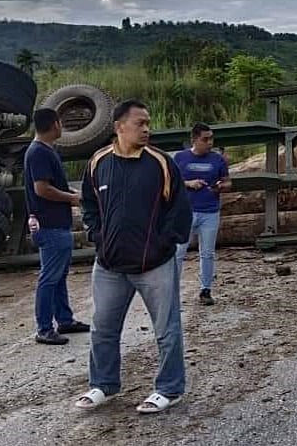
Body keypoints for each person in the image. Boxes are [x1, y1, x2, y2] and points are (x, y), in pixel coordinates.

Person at [74, 99, 192, 414]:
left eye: (148, 123)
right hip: (110, 265)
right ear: (119, 126)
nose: (147, 129)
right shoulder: (98, 161)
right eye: (141, 123)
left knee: (167, 330)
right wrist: (97, 236)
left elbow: (180, 212)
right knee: (102, 328)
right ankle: (104, 385)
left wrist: (162, 243)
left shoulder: (161, 163)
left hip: (154, 265)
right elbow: (88, 204)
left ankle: (169, 389)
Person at [23, 108, 89, 345]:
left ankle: (64, 319)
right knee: (50, 277)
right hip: (50, 225)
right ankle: (44, 328)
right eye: (61, 123)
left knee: (59, 275)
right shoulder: (39, 153)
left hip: (55, 223)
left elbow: (54, 184)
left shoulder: (45, 151)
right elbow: (42, 189)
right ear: (54, 124)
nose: (62, 127)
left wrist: (75, 193)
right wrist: (71, 199)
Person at [174, 123, 230, 306]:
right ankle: (171, 289)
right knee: (178, 252)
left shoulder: (217, 159)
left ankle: (205, 289)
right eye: (205, 139)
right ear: (194, 140)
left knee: (207, 253)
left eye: (211, 139)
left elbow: (228, 182)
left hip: (210, 211)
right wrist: (189, 184)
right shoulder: (180, 158)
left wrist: (221, 186)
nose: (209, 143)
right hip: (186, 211)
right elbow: (171, 182)